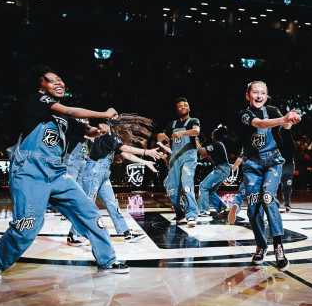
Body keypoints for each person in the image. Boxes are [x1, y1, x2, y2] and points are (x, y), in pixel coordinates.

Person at [0, 66, 129, 281]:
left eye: (60, 80)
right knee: (28, 224)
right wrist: (104, 114)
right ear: (41, 87)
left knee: (89, 213)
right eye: (52, 80)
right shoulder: (37, 101)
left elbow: (87, 130)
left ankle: (107, 259)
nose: (59, 83)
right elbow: (70, 111)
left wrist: (101, 129)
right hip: (30, 172)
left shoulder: (65, 118)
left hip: (58, 173)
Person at [68, 118, 163, 246]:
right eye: (105, 123)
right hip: (93, 172)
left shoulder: (111, 136)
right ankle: (73, 235)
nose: (108, 125)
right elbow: (125, 148)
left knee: (112, 204)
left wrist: (145, 162)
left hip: (103, 174)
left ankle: (125, 232)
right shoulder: (105, 136)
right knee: (87, 205)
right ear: (101, 124)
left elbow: (125, 154)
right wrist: (146, 152)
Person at [237, 81, 301, 270]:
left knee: (267, 197)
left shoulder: (272, 110)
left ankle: (278, 246)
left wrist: (291, 119)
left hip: (272, 161)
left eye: (263, 93)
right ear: (247, 95)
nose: (259, 96)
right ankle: (261, 245)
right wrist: (283, 119)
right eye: (255, 92)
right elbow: (259, 123)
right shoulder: (244, 114)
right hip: (252, 165)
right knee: (253, 207)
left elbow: (285, 126)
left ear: (266, 95)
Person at [157, 98, 201, 227]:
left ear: (189, 108)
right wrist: (161, 139)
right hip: (175, 158)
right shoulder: (172, 124)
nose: (183, 107)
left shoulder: (193, 121)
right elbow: (162, 137)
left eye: (185, 105)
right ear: (177, 109)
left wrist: (182, 133)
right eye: (180, 106)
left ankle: (192, 214)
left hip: (189, 156)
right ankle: (180, 213)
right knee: (171, 189)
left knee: (187, 184)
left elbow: (196, 131)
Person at [197, 125, 232, 218]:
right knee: (210, 191)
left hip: (221, 169)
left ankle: (203, 210)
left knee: (203, 186)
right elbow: (207, 156)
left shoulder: (216, 144)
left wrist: (196, 141)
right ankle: (223, 208)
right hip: (222, 169)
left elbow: (202, 151)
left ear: (215, 135)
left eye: (212, 134)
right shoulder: (218, 145)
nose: (211, 135)